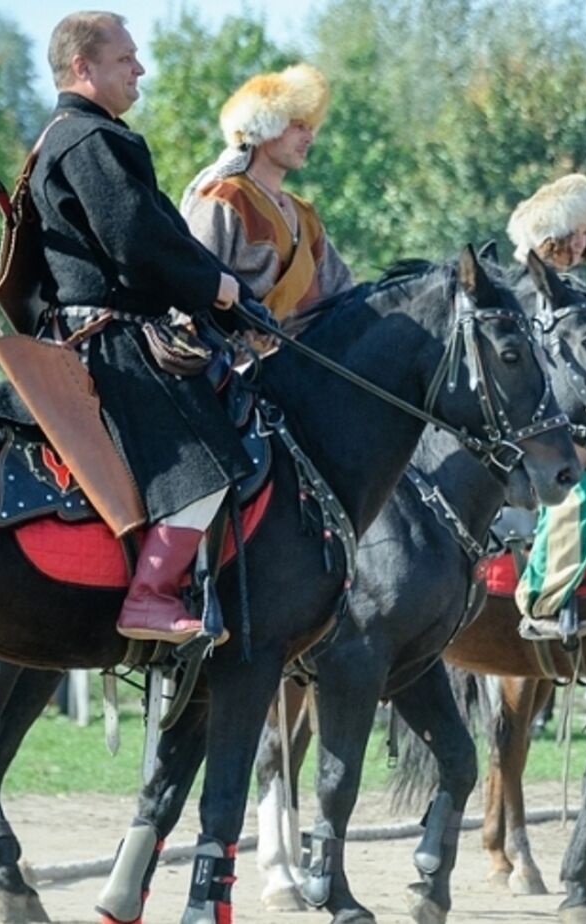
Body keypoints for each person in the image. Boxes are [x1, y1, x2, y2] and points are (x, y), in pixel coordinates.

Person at [34, 11, 261, 644]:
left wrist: (229, 294)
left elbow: (160, 234)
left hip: (103, 327)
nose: (140, 68)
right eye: (125, 59)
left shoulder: (79, 136)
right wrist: (219, 289)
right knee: (212, 452)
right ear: (83, 68)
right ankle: (153, 595)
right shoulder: (88, 139)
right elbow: (140, 242)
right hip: (111, 339)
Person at [502, 174, 586, 640]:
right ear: (552, 236)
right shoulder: (520, 297)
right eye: (574, 232)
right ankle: (544, 601)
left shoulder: (581, 295)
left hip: (581, 427)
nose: (582, 242)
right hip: (531, 433)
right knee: (578, 493)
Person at [179, 63, 353, 335]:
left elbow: (343, 295)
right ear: (266, 126)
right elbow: (190, 289)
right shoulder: (224, 198)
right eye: (298, 127)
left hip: (305, 365)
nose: (309, 138)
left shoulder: (304, 214)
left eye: (311, 128)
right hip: (234, 367)